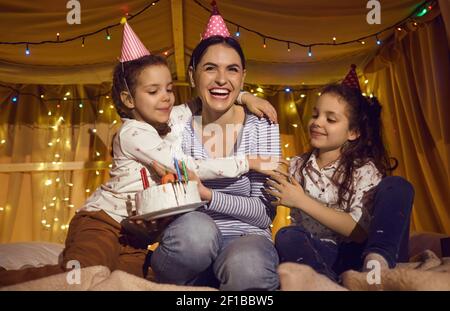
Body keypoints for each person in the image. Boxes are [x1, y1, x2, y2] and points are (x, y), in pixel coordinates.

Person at [0, 20, 275, 288]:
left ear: (243, 76)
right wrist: (246, 162)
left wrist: (245, 97)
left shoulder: (186, 118)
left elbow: (209, 96)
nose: (166, 97)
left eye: (168, 89)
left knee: (129, 282)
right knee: (83, 274)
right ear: (192, 75)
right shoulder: (148, 130)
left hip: (140, 236)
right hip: (108, 222)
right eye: (154, 91)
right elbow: (187, 165)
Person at [149, 4, 281, 291]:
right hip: (191, 241)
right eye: (211, 68)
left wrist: (207, 196)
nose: (222, 79)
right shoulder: (176, 123)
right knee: (197, 233)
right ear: (193, 73)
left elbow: (263, 213)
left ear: (243, 77)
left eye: (232, 70)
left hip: (247, 237)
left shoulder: (263, 125)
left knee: (246, 265)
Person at [268, 66, 414, 282]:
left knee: (398, 185)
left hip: (361, 252)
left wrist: (301, 201)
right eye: (316, 115)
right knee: (286, 235)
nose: (317, 122)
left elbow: (359, 231)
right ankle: (327, 284)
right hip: (322, 254)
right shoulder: (297, 166)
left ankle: (377, 265)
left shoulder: (364, 170)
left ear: (353, 132)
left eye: (331, 119)